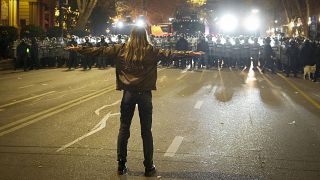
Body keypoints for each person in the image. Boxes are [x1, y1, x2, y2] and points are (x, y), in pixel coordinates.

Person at [65, 27, 203, 177]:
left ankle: (121, 164)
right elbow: (171, 54)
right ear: (145, 36)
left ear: (131, 36)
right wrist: (191, 53)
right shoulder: (151, 50)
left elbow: (99, 51)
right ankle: (149, 167)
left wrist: (78, 48)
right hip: (144, 95)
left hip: (128, 94)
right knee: (146, 131)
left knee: (124, 129)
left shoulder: (121, 49)